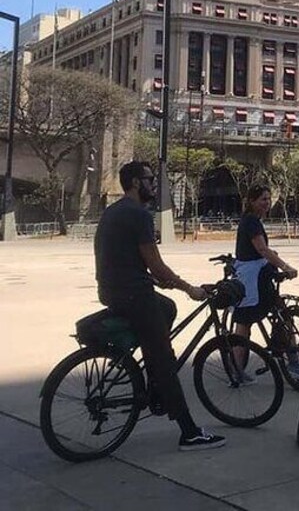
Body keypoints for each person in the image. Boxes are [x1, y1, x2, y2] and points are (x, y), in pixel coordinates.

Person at [94, 161, 225, 451]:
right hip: (134, 296)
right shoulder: (139, 215)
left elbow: (125, 259)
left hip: (112, 291)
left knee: (166, 308)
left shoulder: (113, 212)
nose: (154, 184)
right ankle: (189, 432)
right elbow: (155, 262)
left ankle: (154, 371)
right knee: (163, 360)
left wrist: (156, 280)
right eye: (150, 180)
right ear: (136, 183)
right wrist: (188, 287)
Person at [232, 185, 299, 381]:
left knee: (244, 323)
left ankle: (237, 371)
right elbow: (262, 249)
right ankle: (294, 361)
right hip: (254, 279)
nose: (267, 203)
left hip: (253, 277)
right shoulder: (252, 222)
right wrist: (285, 266)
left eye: (268, 199)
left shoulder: (250, 221)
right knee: (280, 315)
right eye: (263, 199)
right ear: (252, 201)